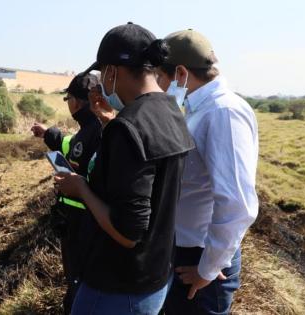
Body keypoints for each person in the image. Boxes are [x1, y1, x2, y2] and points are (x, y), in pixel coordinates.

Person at [54, 22, 194, 315]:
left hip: (118, 285)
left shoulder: (129, 126)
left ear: (112, 72)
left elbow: (128, 231)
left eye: (101, 74)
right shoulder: (172, 111)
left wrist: (80, 188)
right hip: (155, 274)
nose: (101, 82)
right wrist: (109, 123)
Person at [156, 29, 259, 315]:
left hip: (200, 257)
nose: (159, 86)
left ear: (180, 73)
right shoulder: (196, 109)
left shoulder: (223, 112)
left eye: (160, 78)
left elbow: (237, 204)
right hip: (185, 250)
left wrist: (208, 269)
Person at [31, 73, 102, 314]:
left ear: (78, 101)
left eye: (68, 98)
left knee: (78, 283)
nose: (68, 104)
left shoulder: (96, 131)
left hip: (83, 226)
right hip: (81, 223)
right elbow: (69, 144)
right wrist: (48, 133)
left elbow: (77, 153)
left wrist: (74, 184)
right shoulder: (90, 129)